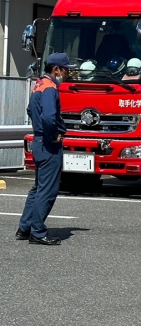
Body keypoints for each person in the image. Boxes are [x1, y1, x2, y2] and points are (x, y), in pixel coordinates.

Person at [16, 53, 75, 246]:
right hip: (49, 144)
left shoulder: (38, 85)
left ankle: (25, 228)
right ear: (56, 69)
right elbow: (50, 117)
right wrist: (53, 135)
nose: (68, 73)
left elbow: (30, 111)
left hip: (39, 141)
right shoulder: (50, 88)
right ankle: (38, 232)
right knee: (48, 190)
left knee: (38, 188)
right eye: (66, 69)